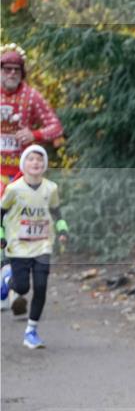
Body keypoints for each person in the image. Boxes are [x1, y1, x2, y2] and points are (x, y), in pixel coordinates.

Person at [1, 43, 63, 312]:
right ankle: (8, 281)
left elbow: (55, 126)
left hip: (21, 174)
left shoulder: (32, 97)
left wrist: (34, 135)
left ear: (22, 72)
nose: (12, 74)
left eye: (17, 69)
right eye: (7, 69)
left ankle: (13, 285)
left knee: (19, 226)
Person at [1, 145, 69, 348]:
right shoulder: (14, 189)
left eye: (39, 159)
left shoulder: (51, 188)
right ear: (24, 164)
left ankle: (31, 331)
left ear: (45, 165)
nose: (36, 163)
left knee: (41, 287)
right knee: (22, 287)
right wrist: (2, 235)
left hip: (42, 245)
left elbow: (56, 211)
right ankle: (7, 279)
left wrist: (63, 230)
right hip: (18, 246)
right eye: (30, 159)